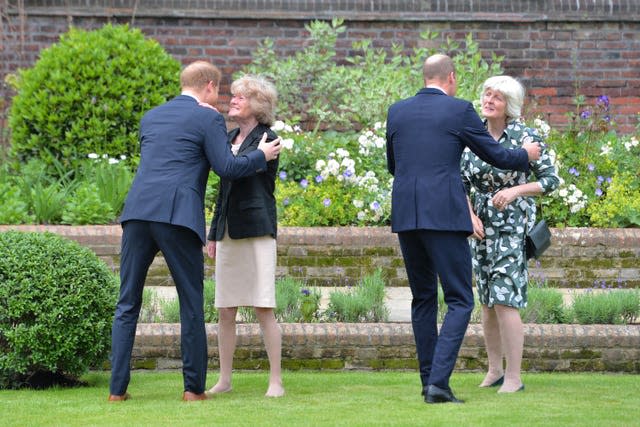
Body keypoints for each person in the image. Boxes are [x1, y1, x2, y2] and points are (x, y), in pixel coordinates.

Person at [108, 61, 282, 402]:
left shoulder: (151, 117)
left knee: (127, 302)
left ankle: (117, 391)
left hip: (137, 212)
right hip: (177, 215)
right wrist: (260, 155)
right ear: (209, 87)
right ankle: (192, 390)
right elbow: (227, 167)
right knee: (190, 302)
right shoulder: (208, 118)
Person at [385, 54, 541, 404]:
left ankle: (428, 381)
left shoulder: (397, 111)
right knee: (459, 299)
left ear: (424, 77)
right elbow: (496, 156)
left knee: (423, 299)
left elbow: (393, 164)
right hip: (444, 215)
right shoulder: (458, 110)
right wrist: (526, 155)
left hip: (407, 215)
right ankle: (439, 383)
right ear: (451, 77)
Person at [461, 75, 559, 393]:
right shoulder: (472, 134)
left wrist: (516, 190)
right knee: (487, 302)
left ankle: (515, 377)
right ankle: (494, 371)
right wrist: (469, 214)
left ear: (509, 106)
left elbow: (551, 180)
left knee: (506, 300)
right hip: (480, 229)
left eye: (497, 97)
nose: (489, 100)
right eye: (486, 94)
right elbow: (458, 180)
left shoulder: (524, 136)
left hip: (511, 227)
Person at [205, 75, 284, 398]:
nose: (233, 101)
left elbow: (234, 170)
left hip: (256, 231)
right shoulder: (228, 137)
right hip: (227, 232)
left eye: (241, 97)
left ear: (258, 104)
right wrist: (212, 234)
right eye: (233, 96)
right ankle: (224, 379)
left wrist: (252, 156)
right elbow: (222, 191)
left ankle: (276, 381)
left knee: (264, 306)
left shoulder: (270, 140)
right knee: (226, 308)